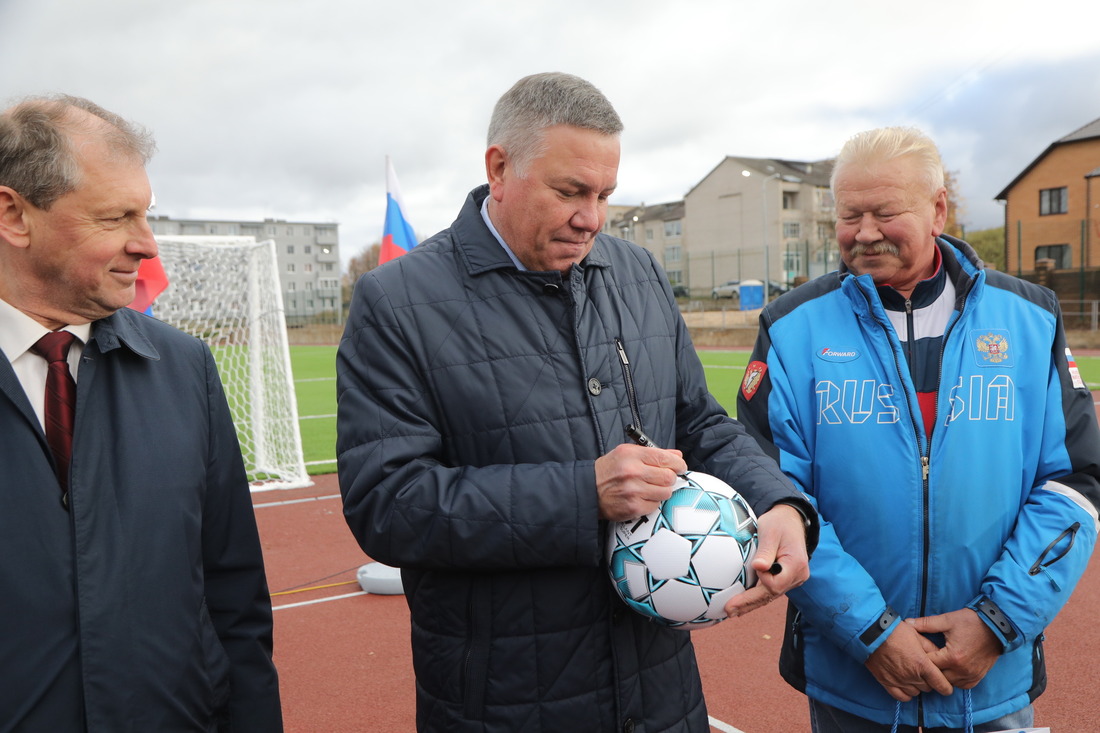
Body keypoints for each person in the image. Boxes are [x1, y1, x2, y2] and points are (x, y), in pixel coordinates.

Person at [337, 71, 818, 732]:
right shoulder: (397, 302)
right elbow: (388, 503)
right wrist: (580, 494)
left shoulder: (637, 272)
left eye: (605, 194)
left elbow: (698, 420)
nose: (591, 217)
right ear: (499, 168)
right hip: (499, 703)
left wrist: (780, 502)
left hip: (660, 693)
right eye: (570, 191)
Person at [736, 126, 1100, 732]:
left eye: (885, 211)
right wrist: (871, 632)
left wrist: (996, 622)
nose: (866, 231)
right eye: (849, 214)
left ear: (938, 209)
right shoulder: (790, 328)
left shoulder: (1030, 319)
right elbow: (774, 495)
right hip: (854, 681)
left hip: (992, 679)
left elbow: (1075, 482)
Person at [0, 95, 282, 730]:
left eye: (146, 214)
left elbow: (235, 599)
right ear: (13, 214)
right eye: (115, 217)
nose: (146, 245)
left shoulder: (185, 369)